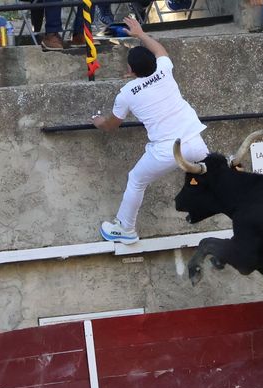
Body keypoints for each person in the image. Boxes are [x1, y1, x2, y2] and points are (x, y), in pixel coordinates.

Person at [92, 17, 208, 245]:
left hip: (167, 151)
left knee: (136, 180)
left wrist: (98, 122)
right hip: (195, 142)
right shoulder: (164, 69)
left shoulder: (126, 93)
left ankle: (125, 228)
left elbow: (112, 126)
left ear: (131, 71)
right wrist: (141, 34)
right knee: (214, 175)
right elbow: (160, 51)